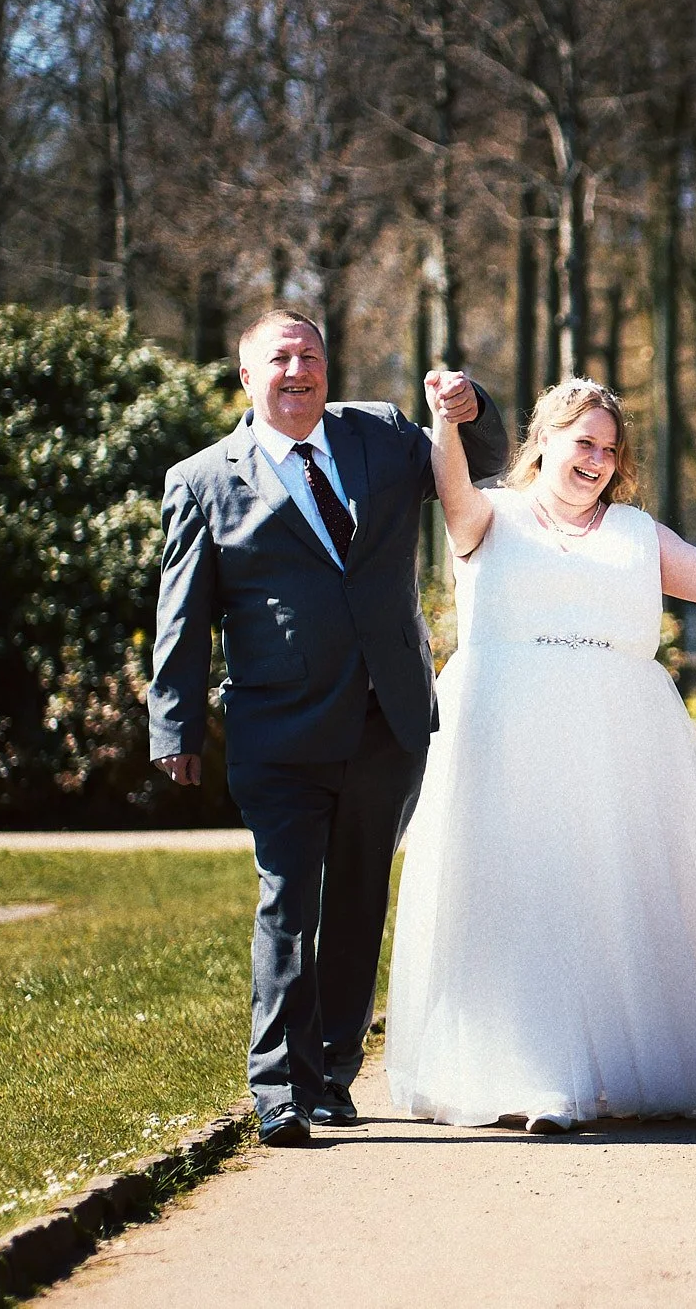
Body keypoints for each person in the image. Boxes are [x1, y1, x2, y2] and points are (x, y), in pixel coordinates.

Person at [384, 377, 696, 1133]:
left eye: (609, 449)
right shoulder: (491, 516)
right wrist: (445, 420)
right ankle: (532, 1077)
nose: (597, 460)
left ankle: (597, 1074)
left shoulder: (636, 531)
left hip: (616, 739)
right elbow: (452, 487)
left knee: (604, 894)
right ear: (545, 441)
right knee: (519, 894)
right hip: (506, 731)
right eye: (583, 443)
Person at [149, 309, 510, 1147]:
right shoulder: (201, 480)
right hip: (279, 725)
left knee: (356, 900)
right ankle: (276, 1085)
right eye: (279, 358)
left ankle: (332, 1077)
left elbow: (482, 467)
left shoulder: (381, 434)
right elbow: (182, 614)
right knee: (287, 902)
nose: (298, 368)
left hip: (388, 717)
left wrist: (468, 404)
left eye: (310, 354)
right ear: (246, 378)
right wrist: (177, 724)